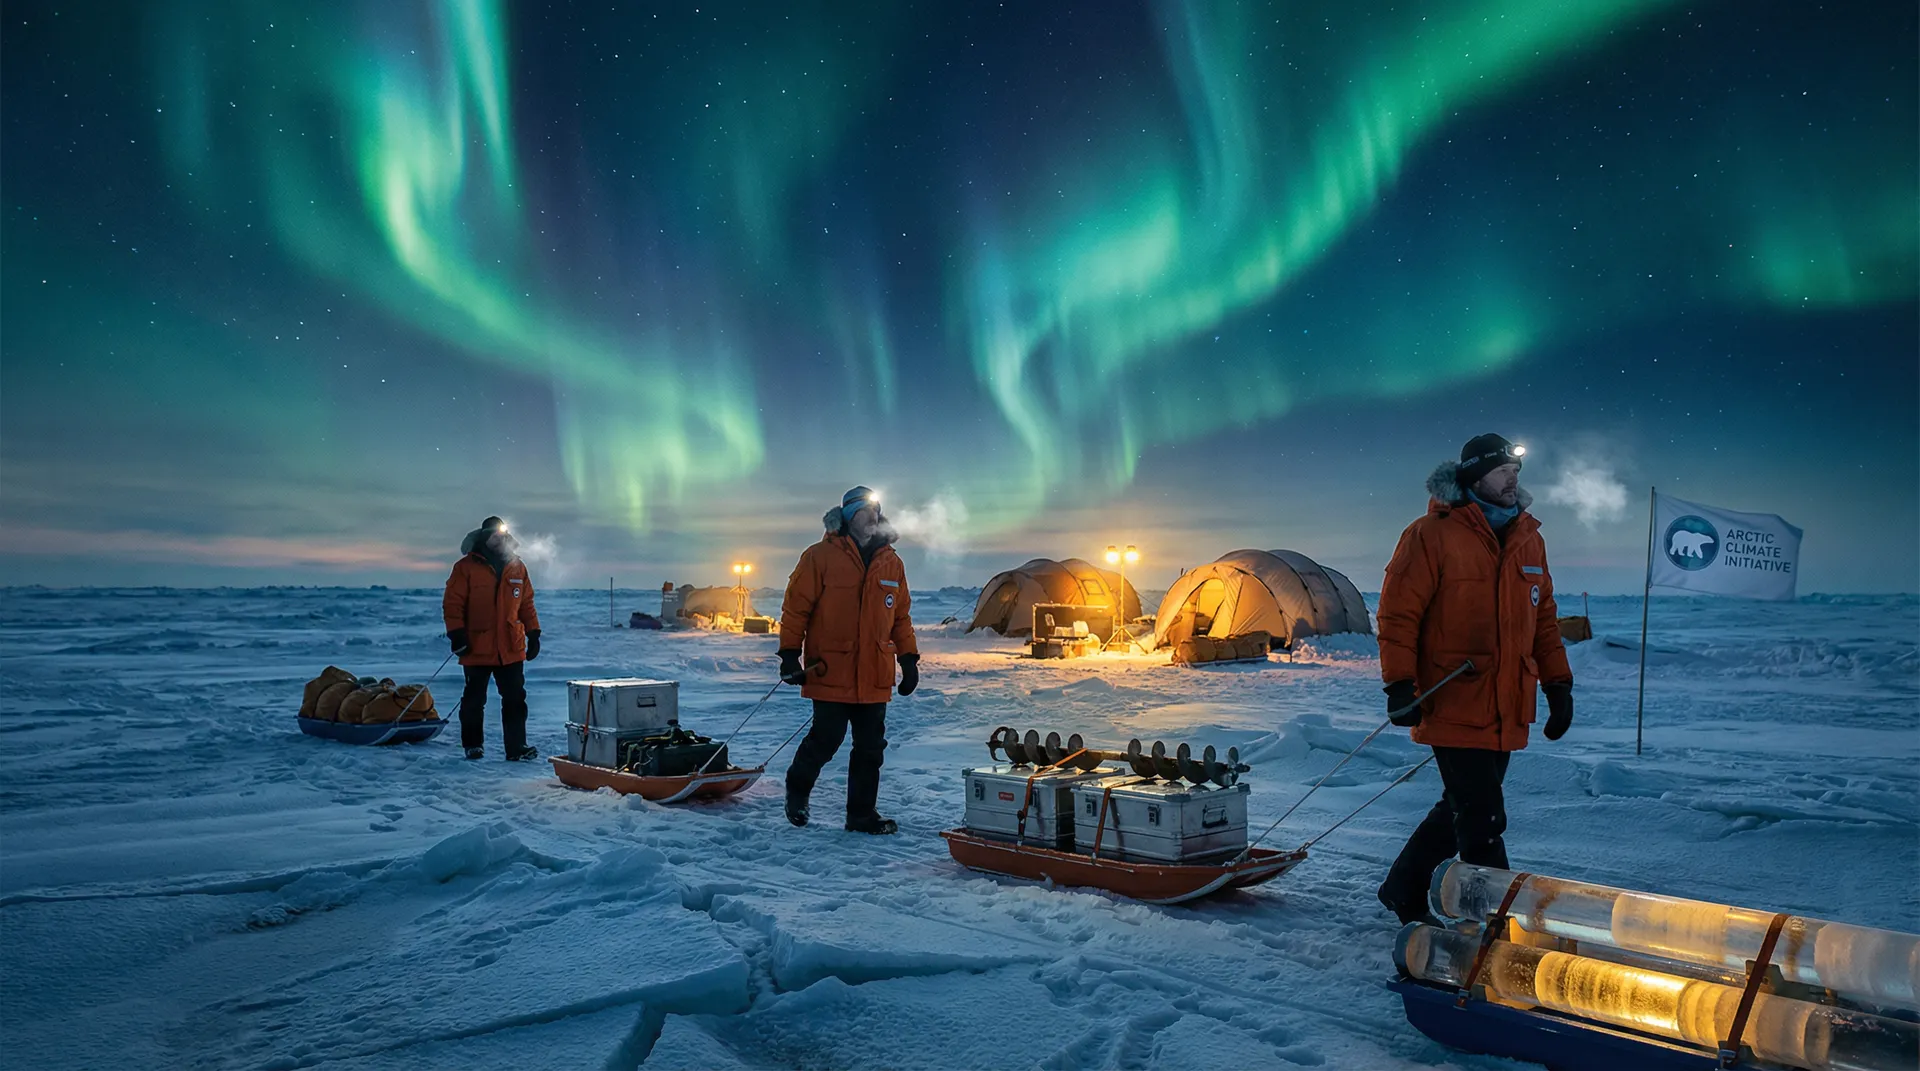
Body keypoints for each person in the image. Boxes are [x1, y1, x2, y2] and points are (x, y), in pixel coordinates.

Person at [1373, 434, 1575, 925]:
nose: (1514, 479)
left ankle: (1403, 885)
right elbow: (1399, 614)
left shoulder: (1530, 538)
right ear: (1474, 476)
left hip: (1506, 702)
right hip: (1452, 697)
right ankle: (1494, 925)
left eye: (1517, 471)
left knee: (1461, 808)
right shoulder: (1430, 534)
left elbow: (1543, 619)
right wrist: (1400, 685)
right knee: (1483, 819)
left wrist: (1558, 685)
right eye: (1504, 470)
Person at [777, 486, 919, 834]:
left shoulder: (892, 563)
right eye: (863, 513)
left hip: (874, 672)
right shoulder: (819, 557)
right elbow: (796, 609)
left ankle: (861, 814)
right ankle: (797, 788)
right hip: (831, 668)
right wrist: (789, 655)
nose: (871, 519)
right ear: (847, 516)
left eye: (875, 513)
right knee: (826, 739)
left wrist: (909, 659)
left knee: (870, 748)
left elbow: (900, 617)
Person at [443, 516, 542, 762]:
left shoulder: (518, 567)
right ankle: (473, 745)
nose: (498, 540)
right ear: (483, 537)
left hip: (510, 647)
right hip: (476, 646)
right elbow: (453, 604)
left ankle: (517, 747)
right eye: (493, 536)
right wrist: (456, 634)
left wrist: (534, 633)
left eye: (501, 536)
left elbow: (526, 604)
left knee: (515, 700)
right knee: (474, 700)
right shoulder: (465, 567)